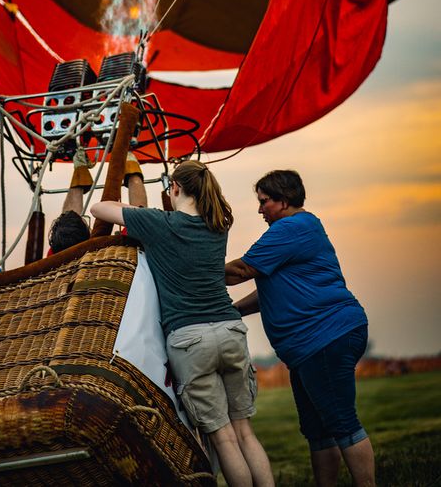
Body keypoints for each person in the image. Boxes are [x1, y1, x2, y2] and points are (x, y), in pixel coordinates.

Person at [92, 160, 274, 487]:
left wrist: (132, 209)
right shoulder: (218, 225)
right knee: (245, 433)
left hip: (190, 339)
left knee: (223, 439)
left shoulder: (159, 224)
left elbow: (98, 207)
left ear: (175, 188)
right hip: (230, 330)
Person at [225, 170, 375, 487]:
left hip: (325, 336)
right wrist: (234, 310)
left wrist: (191, 269)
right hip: (311, 345)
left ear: (283, 200)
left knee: (341, 422)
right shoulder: (299, 228)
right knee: (318, 430)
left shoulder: (291, 228)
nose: (259, 209)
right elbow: (272, 290)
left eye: (263, 202)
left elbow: (241, 270)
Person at [47, 149, 147, 254]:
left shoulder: (56, 260)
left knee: (67, 227)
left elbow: (67, 223)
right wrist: (130, 161)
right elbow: (140, 213)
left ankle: (80, 172)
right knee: (140, 218)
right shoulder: (108, 252)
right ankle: (130, 160)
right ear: (89, 233)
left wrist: (79, 169)